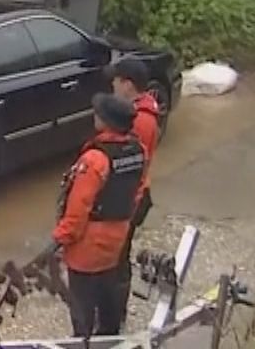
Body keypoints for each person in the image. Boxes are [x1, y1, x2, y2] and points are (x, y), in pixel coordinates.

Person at [54, 93, 148, 339]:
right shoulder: (139, 151)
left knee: (82, 310)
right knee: (108, 304)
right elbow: (138, 192)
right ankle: (111, 340)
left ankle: (83, 341)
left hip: (87, 247)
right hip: (117, 239)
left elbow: (77, 212)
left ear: (106, 121)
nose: (94, 115)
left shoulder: (95, 159)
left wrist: (57, 240)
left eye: (98, 113)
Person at [107, 58, 164, 319]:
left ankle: (115, 314)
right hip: (136, 193)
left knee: (118, 257)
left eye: (116, 81)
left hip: (131, 197)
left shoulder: (139, 121)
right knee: (118, 254)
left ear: (128, 85)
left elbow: (128, 163)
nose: (113, 85)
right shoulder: (144, 112)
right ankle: (113, 309)